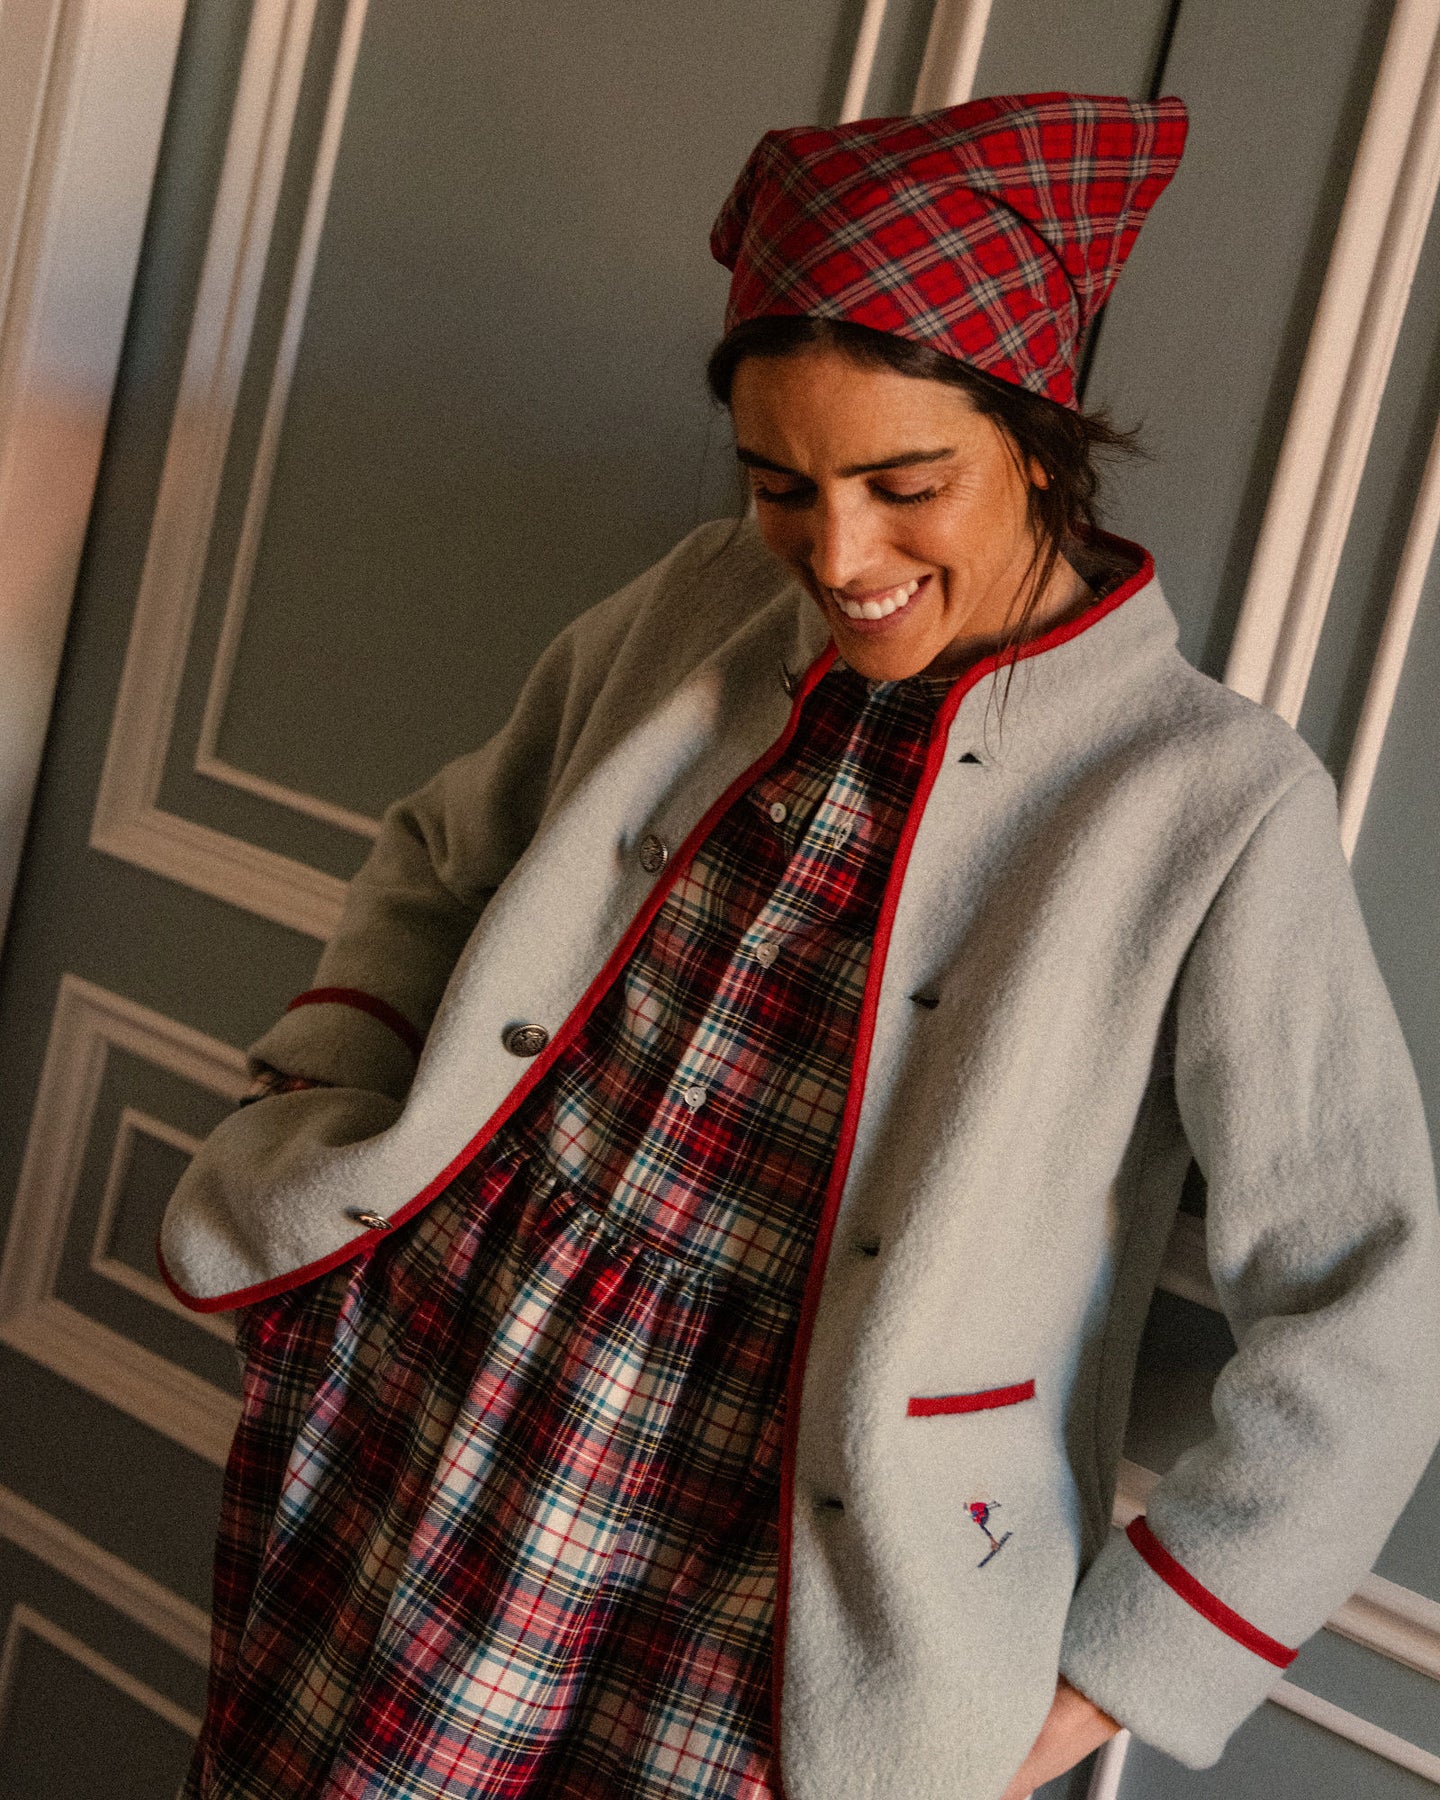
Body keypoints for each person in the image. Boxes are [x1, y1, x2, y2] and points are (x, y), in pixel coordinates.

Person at [162, 93, 1440, 1800]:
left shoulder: (1208, 803)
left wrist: (1117, 1677)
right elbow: (441, 856)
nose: (838, 555)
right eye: (782, 485)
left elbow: (1365, 1294)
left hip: (782, 1565)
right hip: (443, 1390)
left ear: (1039, 442)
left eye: (907, 485)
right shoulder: (699, 605)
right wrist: (317, 1102)